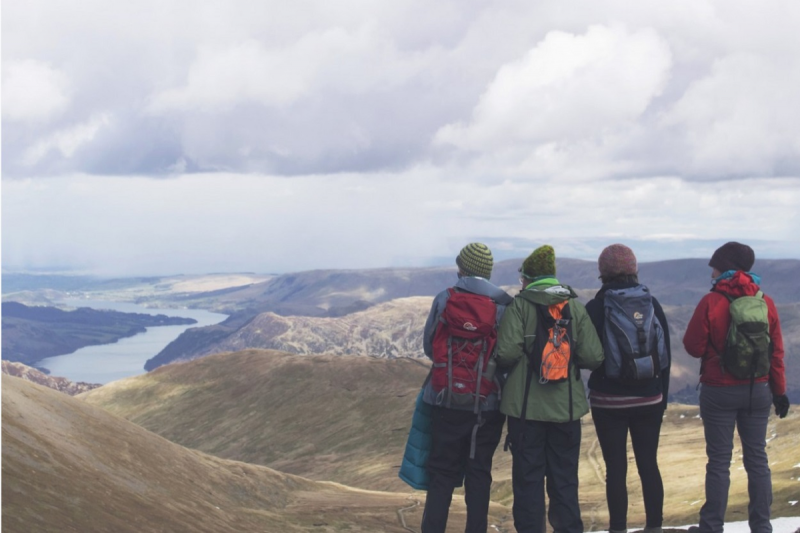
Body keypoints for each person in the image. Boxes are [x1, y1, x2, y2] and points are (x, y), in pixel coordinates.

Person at [496, 245, 604, 533]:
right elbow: (594, 357)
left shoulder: (519, 307)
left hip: (524, 413)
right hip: (565, 412)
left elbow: (505, 354)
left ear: (528, 279)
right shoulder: (575, 308)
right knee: (565, 480)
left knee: (528, 482)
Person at [683, 242, 789, 533]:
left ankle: (711, 527)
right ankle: (762, 527)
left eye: (714, 266)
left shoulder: (711, 301)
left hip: (719, 389)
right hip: (759, 389)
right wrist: (779, 392)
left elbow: (692, 347)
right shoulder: (765, 301)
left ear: (725, 267)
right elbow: (776, 352)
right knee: (757, 458)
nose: (711, 271)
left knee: (719, 460)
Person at [420, 242, 513, 533]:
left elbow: (429, 347)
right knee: (479, 474)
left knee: (441, 475)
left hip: (445, 401)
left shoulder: (444, 299)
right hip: (486, 406)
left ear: (461, 269)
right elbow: (508, 356)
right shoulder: (503, 306)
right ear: (487, 271)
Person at [585, 244, 670, 533]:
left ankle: (618, 529)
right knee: (649, 464)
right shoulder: (652, 304)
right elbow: (665, 356)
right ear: (634, 269)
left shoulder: (596, 307)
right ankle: (654, 527)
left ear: (603, 273)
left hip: (609, 402)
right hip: (650, 398)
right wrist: (662, 398)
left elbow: (587, 356)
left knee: (615, 470)